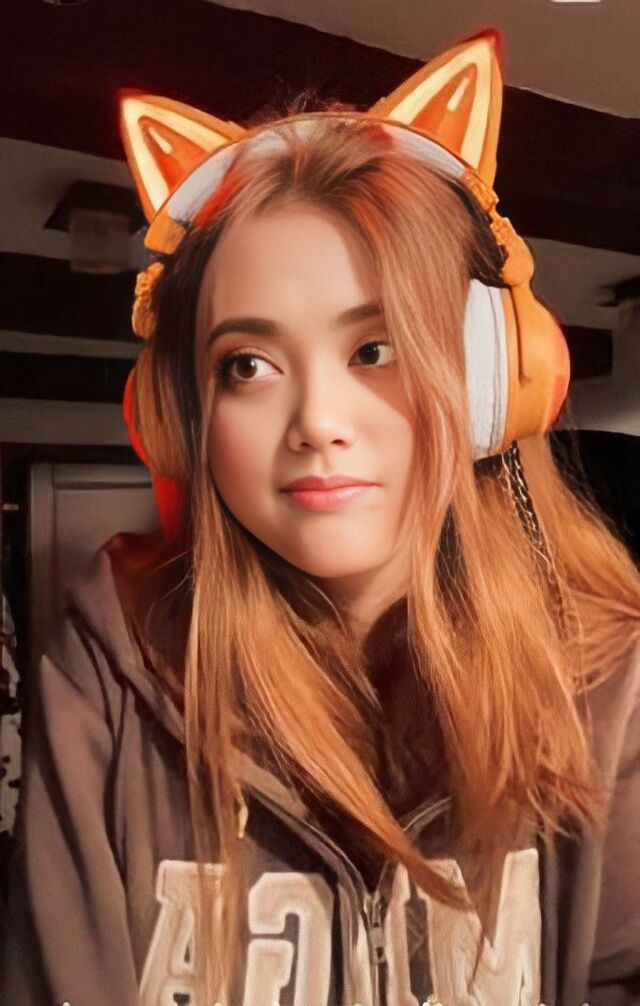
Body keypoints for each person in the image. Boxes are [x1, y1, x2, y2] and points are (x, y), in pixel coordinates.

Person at [1, 29, 639, 1006]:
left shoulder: (609, 685)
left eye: (376, 349)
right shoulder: (103, 685)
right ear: (180, 419)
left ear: (492, 382)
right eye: (247, 365)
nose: (315, 423)